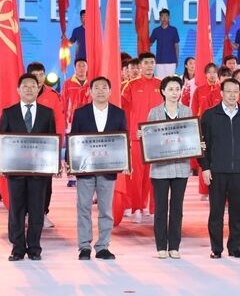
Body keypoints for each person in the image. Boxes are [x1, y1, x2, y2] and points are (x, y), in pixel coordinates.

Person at [0, 73, 57, 261]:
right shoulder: (9, 113)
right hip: (15, 171)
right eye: (25, 86)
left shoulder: (47, 113)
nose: (29, 89)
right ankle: (17, 248)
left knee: (37, 210)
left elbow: (52, 141)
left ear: (39, 89)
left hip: (39, 172)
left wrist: (54, 165)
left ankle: (34, 248)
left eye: (33, 86)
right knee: (16, 210)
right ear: (18, 90)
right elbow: (1, 140)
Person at [69, 76, 126, 261]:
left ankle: (103, 246)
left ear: (110, 91)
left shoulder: (118, 113)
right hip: (85, 169)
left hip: (108, 169)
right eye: (97, 88)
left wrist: (125, 162)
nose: (100, 91)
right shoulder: (80, 113)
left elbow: (122, 140)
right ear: (90, 91)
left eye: (104, 88)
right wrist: (70, 162)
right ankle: (84, 247)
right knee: (83, 207)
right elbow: (73, 139)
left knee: (105, 209)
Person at [200, 78, 240, 259]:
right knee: (216, 212)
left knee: (237, 212)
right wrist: (205, 167)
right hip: (216, 170)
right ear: (221, 93)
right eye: (228, 91)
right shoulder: (210, 115)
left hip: (239, 170)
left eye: (235, 91)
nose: (232, 95)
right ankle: (216, 248)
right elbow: (201, 144)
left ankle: (235, 247)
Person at [146, 76, 192, 259]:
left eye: (177, 89)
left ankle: (174, 246)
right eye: (171, 89)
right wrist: (144, 136)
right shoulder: (154, 112)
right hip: (160, 168)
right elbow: (150, 139)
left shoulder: (187, 111)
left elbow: (191, 136)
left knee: (177, 209)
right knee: (161, 208)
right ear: (163, 91)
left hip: (181, 167)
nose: (174, 93)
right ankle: (160, 246)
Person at [121, 52, 163, 223]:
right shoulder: (130, 85)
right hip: (137, 137)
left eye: (152, 62)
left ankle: (152, 208)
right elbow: (123, 112)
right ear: (140, 66)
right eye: (146, 63)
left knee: (155, 175)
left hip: (157, 138)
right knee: (137, 175)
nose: (149, 66)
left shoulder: (161, 84)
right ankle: (136, 208)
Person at [27, 62, 66, 227]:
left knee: (45, 183)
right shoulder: (22, 92)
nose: (39, 78)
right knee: (25, 182)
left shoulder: (53, 95)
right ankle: (26, 213)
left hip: (47, 147)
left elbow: (59, 122)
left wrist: (58, 145)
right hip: (25, 147)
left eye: (41, 74)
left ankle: (43, 213)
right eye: (35, 75)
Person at [150, 8, 180, 79]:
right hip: (159, 61)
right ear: (160, 18)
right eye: (162, 16)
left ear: (169, 18)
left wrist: (176, 59)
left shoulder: (173, 30)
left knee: (170, 81)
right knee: (160, 81)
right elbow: (149, 43)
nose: (164, 18)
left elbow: (176, 46)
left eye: (166, 16)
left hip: (171, 61)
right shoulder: (156, 30)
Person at [61, 58, 88, 131]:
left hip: (89, 118)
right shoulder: (67, 83)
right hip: (72, 119)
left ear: (87, 67)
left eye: (83, 66)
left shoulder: (91, 83)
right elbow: (63, 102)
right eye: (79, 66)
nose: (81, 68)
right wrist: (64, 120)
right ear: (74, 68)